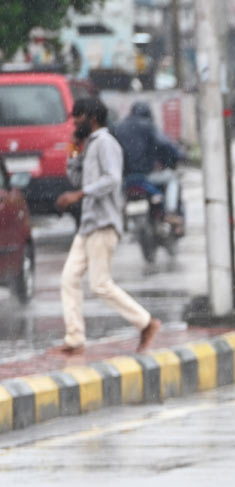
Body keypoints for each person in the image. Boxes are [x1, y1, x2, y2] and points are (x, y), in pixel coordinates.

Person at [55, 98, 161, 356]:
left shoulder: (106, 143)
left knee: (100, 284)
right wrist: (73, 153)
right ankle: (75, 338)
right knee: (69, 279)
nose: (74, 122)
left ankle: (146, 323)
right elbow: (78, 177)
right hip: (89, 225)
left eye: (78, 117)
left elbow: (112, 179)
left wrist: (79, 195)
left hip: (104, 223)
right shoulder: (89, 146)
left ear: (92, 118)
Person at [113, 101, 185, 235]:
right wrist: (179, 155)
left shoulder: (118, 127)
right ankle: (171, 211)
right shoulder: (147, 126)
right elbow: (165, 145)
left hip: (125, 178)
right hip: (146, 176)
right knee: (173, 178)